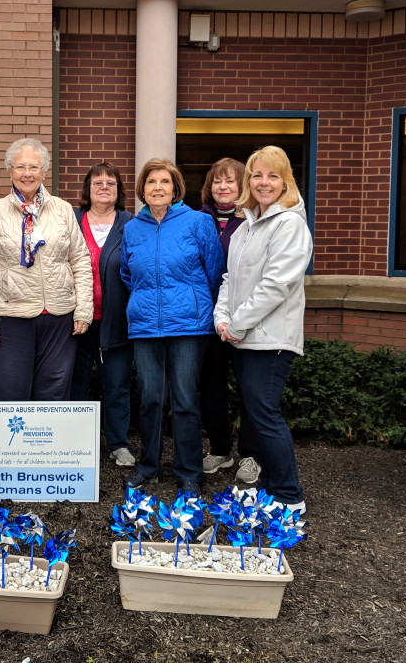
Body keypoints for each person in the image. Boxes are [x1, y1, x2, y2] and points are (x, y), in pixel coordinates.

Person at [214, 145, 311, 513]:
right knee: (257, 415)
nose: (263, 182)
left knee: (265, 416)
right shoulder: (246, 227)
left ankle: (288, 495)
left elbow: (275, 285)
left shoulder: (289, 224)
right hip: (243, 338)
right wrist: (222, 318)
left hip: (270, 340)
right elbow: (229, 279)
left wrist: (237, 324)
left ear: (285, 181)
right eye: (257, 175)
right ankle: (270, 487)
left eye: (272, 175)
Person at [120, 158, 223, 493]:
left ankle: (189, 472)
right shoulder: (133, 228)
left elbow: (213, 272)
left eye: (165, 182)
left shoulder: (198, 222)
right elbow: (127, 273)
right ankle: (148, 466)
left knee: (184, 400)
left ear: (176, 188)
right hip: (146, 325)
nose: (158, 188)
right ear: (143, 190)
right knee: (150, 398)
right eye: (151, 183)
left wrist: (193, 303)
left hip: (189, 326)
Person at [0, 137, 93, 400]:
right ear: (10, 171)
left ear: (44, 171)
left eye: (34, 167)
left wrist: (83, 310)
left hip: (60, 318)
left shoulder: (62, 210)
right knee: (10, 394)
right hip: (10, 317)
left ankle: (51, 444)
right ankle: (10, 443)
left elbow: (80, 261)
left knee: (54, 393)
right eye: (20, 167)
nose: (27, 174)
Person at [198, 157, 262, 485]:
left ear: (243, 186)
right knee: (211, 388)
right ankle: (221, 449)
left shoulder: (254, 221)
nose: (223, 187)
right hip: (208, 320)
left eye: (230, 182)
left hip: (247, 318)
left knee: (250, 388)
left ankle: (251, 454)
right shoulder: (198, 219)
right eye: (217, 182)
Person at [71, 163, 136, 467]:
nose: (104, 187)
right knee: (76, 382)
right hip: (76, 321)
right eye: (97, 182)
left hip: (117, 320)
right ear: (87, 189)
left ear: (119, 190)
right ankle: (77, 444)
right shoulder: (71, 220)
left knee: (117, 384)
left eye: (111, 182)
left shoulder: (131, 224)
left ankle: (118, 443)